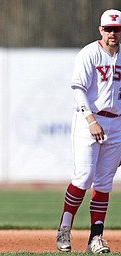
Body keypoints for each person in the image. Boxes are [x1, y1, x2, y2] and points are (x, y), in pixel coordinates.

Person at [56, 9, 121, 253]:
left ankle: (96, 238)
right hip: (89, 121)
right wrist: (91, 120)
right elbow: (78, 89)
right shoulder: (89, 53)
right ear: (100, 30)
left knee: (104, 184)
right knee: (83, 177)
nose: (112, 33)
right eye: (108, 28)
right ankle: (64, 228)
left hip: (117, 124)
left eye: (116, 28)